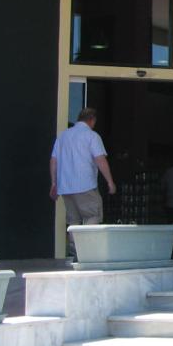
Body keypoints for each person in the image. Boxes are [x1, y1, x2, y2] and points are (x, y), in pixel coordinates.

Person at [49, 107, 116, 258]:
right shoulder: (92, 136)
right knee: (93, 215)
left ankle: (74, 250)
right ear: (92, 120)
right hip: (85, 185)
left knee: (73, 221)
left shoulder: (63, 136)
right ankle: (86, 250)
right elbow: (100, 159)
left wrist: (54, 183)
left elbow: (53, 160)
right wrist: (110, 182)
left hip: (66, 187)